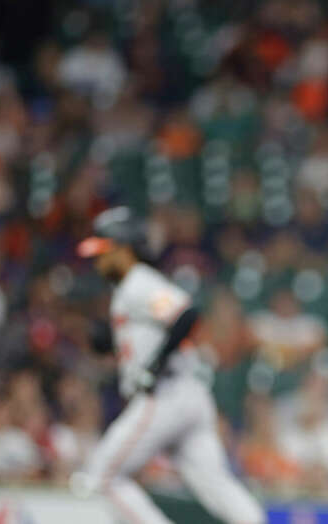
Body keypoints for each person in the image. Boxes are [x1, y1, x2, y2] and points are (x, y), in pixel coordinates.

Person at [71, 207, 266, 524]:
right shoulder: (128, 288)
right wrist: (110, 341)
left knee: (100, 476)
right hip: (188, 396)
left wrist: (154, 365)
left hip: (165, 396)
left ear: (123, 248)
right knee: (216, 484)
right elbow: (155, 331)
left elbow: (186, 314)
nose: (98, 261)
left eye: (104, 251)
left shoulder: (138, 281)